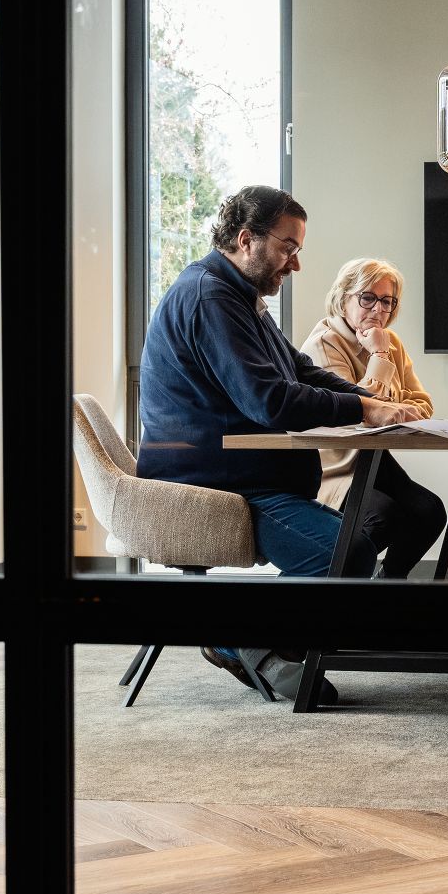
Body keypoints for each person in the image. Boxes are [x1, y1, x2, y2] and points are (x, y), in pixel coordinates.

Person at [137, 185, 420, 698]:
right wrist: (364, 406)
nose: (295, 264)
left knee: (356, 544)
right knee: (348, 552)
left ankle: (268, 646)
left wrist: (363, 398)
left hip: (245, 476)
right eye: (288, 247)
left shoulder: (238, 297)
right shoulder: (210, 297)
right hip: (216, 484)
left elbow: (299, 370)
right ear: (247, 239)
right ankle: (244, 639)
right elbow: (269, 400)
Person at [300, 258, 447, 578]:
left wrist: (400, 407)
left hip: (374, 459)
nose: (378, 310)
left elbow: (423, 402)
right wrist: (379, 358)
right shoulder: (324, 344)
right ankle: (326, 579)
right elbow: (359, 412)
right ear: (343, 298)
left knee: (430, 512)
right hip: (334, 465)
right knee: (384, 517)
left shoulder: (390, 341)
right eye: (367, 298)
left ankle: (388, 584)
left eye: (387, 301)